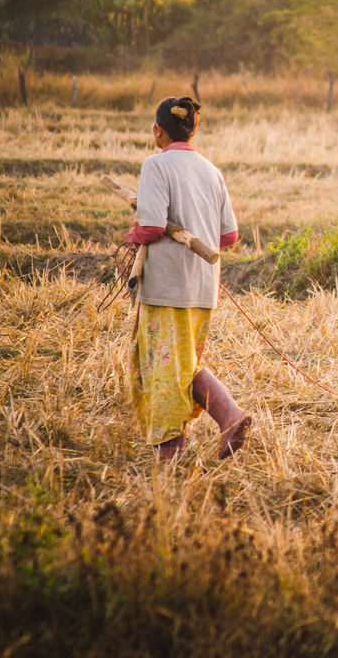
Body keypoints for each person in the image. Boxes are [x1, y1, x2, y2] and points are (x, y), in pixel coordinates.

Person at [126, 96, 249, 462]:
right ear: (194, 130)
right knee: (180, 364)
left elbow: (149, 225)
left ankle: (175, 451)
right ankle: (227, 416)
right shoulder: (211, 171)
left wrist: (134, 235)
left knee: (162, 368)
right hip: (203, 287)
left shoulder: (156, 166)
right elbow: (229, 237)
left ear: (157, 130)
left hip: (168, 287)